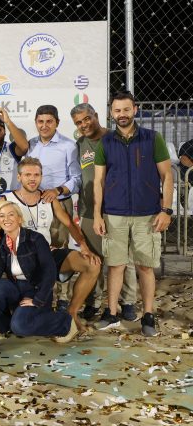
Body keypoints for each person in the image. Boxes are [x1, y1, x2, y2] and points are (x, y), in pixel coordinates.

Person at [93, 91, 174, 337]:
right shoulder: (105, 142)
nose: (122, 115)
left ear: (135, 110)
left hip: (147, 214)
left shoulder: (152, 138)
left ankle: (148, 315)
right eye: (117, 111)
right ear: (111, 113)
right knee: (115, 266)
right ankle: (112, 313)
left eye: (126, 110)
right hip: (114, 214)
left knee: (145, 267)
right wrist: (98, 214)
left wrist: (166, 210)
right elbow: (98, 181)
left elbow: (168, 176)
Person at [3, 157, 100, 332]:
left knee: (92, 265)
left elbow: (69, 223)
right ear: (19, 177)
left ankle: (71, 314)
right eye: (27, 175)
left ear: (41, 176)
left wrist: (84, 247)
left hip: (48, 255)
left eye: (36, 175)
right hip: (24, 262)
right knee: (25, 323)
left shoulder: (48, 198)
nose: (32, 179)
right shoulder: (7, 200)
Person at [0, 201, 78, 343]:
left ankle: (64, 321)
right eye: (2, 216)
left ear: (19, 219)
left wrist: (38, 299)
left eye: (11, 215)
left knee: (20, 326)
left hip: (36, 290)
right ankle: (2, 327)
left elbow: (50, 271)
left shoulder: (35, 239)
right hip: (16, 288)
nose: (6, 219)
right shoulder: (1, 245)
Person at [70, 103, 138, 322]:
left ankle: (127, 302)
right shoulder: (80, 144)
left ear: (96, 116)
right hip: (90, 211)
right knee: (94, 259)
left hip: (117, 210)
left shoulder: (115, 138)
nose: (84, 125)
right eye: (78, 123)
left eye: (86, 119)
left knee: (123, 259)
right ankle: (93, 301)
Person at [26, 105, 81, 248]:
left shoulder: (69, 146)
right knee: (34, 247)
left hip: (60, 203)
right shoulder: (30, 144)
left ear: (57, 122)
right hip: (33, 204)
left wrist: (57, 190)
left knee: (58, 248)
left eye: (49, 121)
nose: (44, 126)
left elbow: (76, 179)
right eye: (40, 122)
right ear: (35, 122)